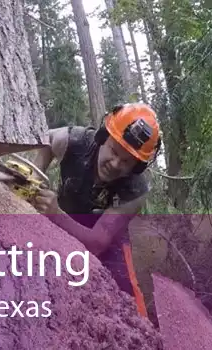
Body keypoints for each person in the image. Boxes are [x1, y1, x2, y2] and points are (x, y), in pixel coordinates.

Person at [30, 103, 162, 319]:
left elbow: (98, 243)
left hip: (107, 239)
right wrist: (35, 176)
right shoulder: (75, 140)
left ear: (137, 167)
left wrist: (54, 214)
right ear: (103, 137)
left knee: (127, 296)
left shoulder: (135, 190)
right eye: (114, 150)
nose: (116, 163)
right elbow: (47, 140)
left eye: (127, 162)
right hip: (64, 220)